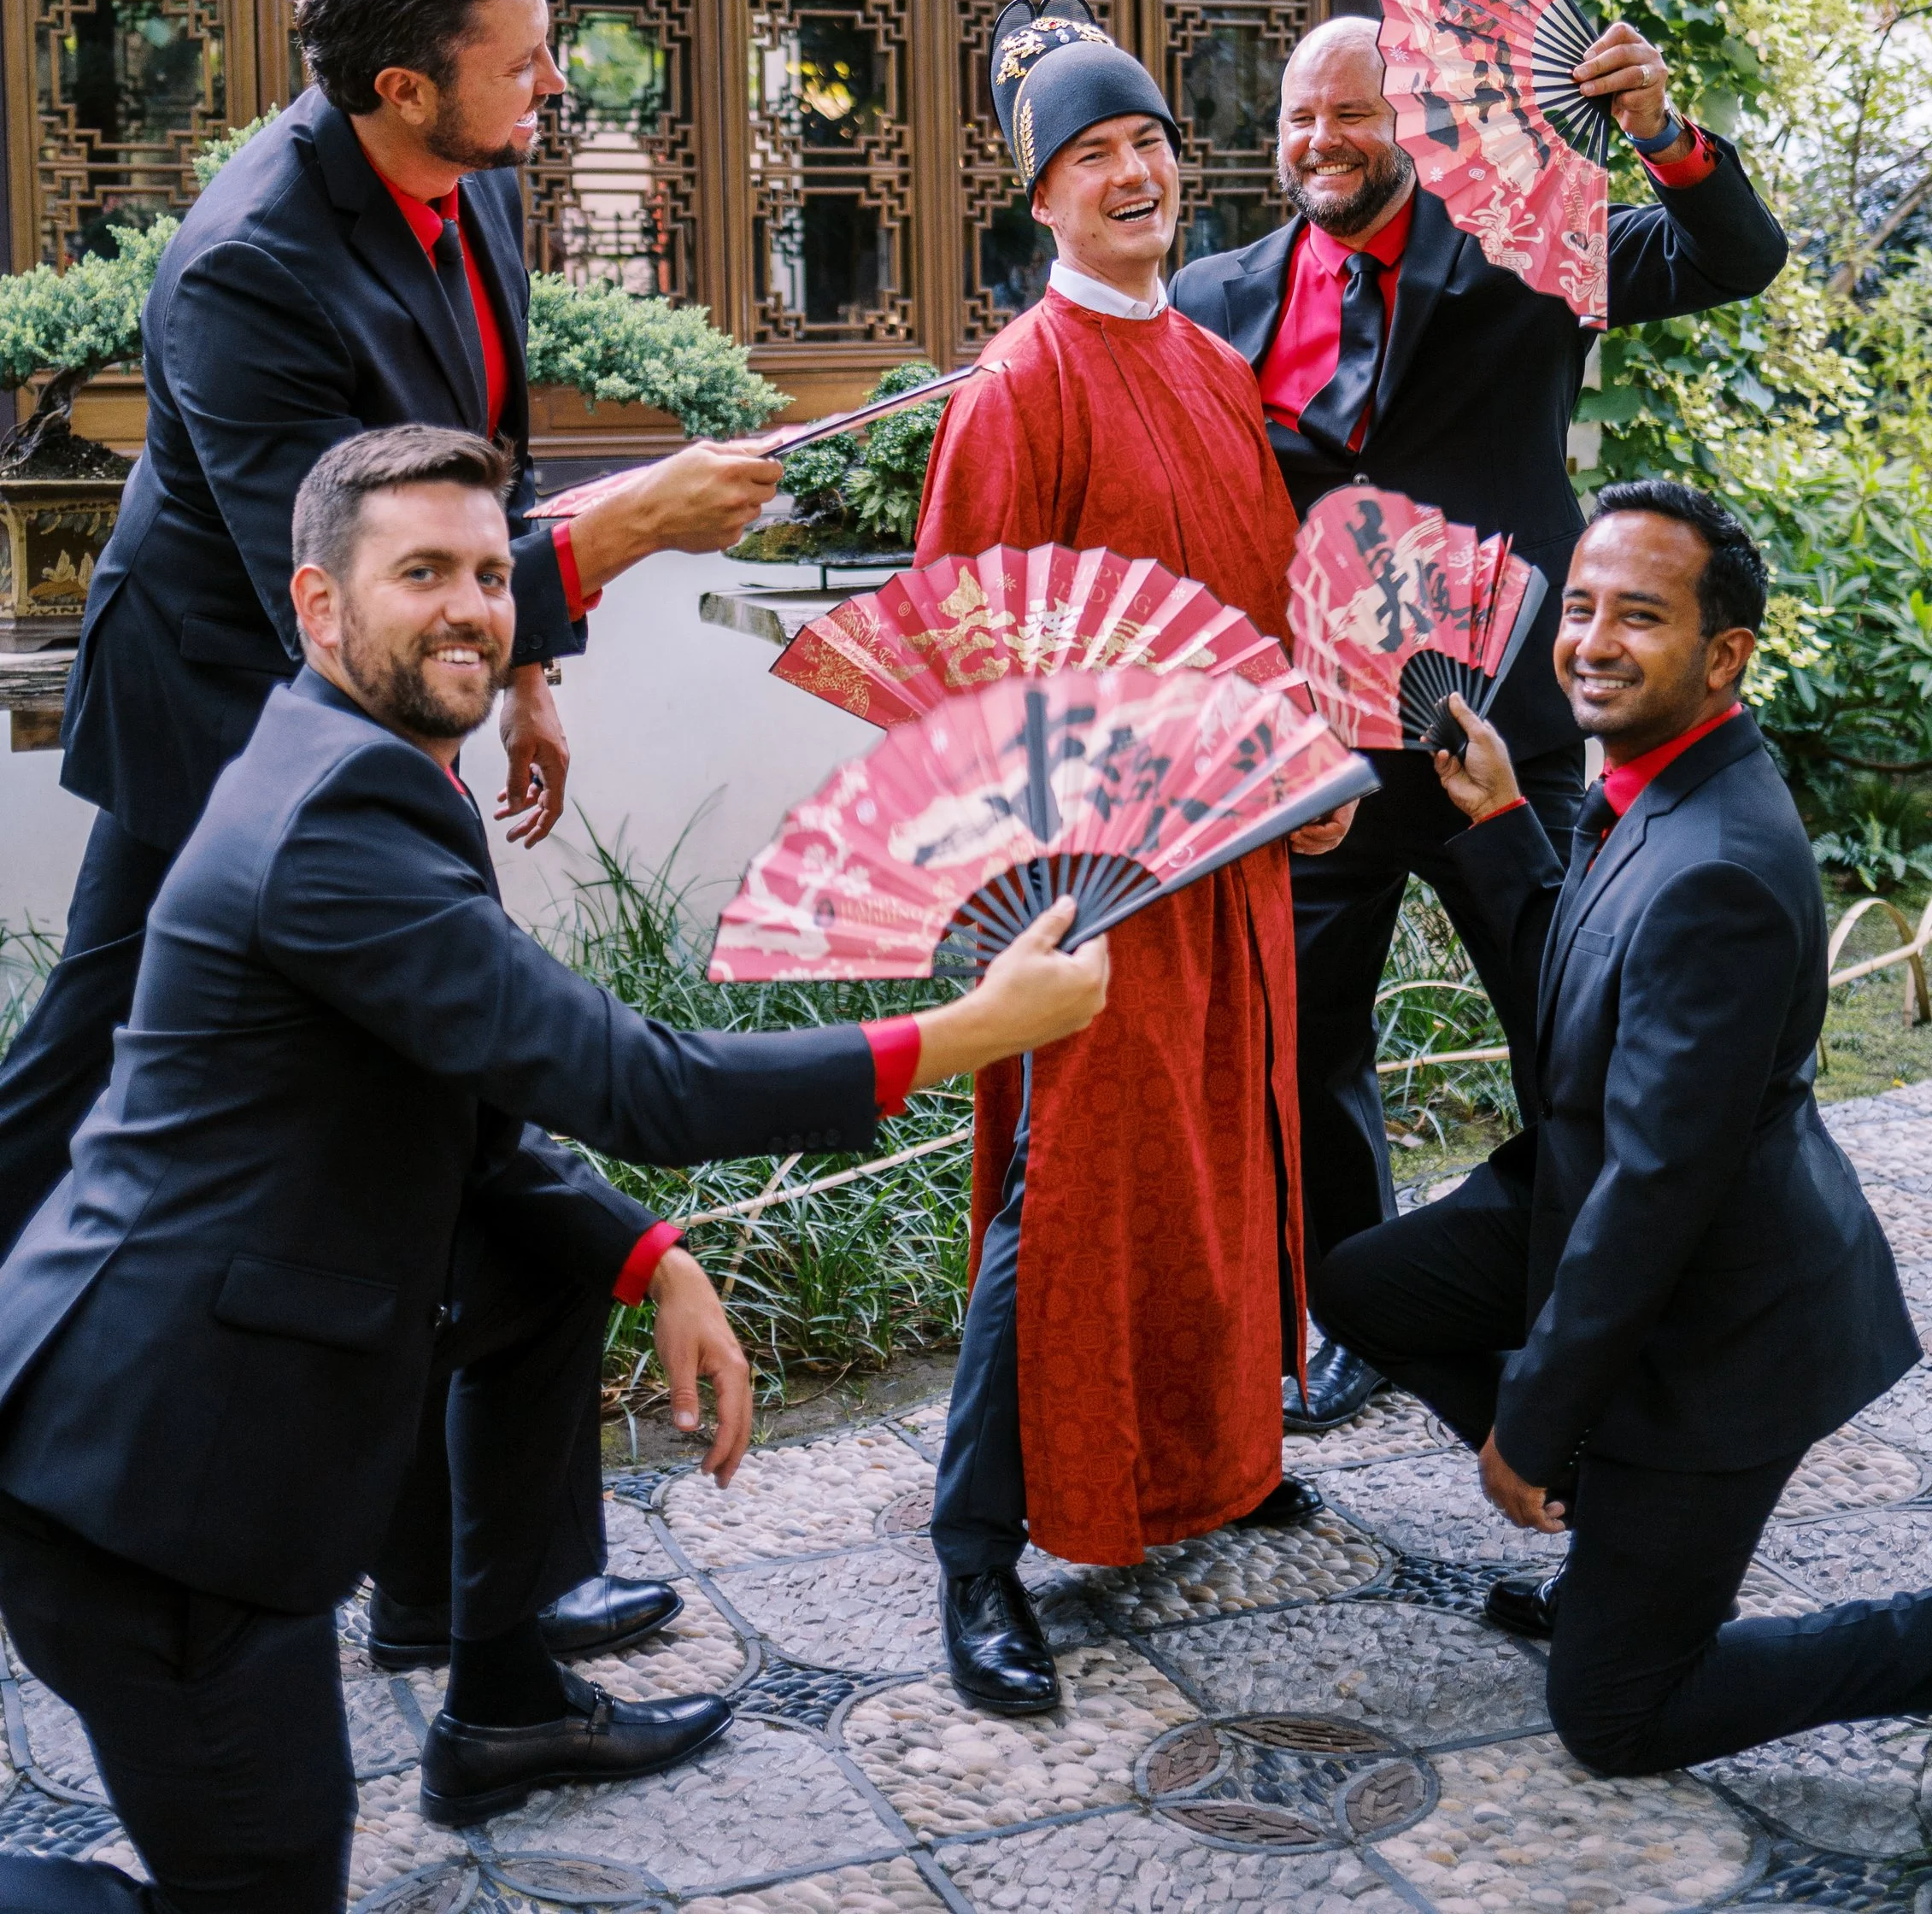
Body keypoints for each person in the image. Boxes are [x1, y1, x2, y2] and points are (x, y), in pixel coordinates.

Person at [0, 426, 1111, 1914]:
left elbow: (462, 1106)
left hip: (138, 1442)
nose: (470, 606)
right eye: (420, 575)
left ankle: (504, 1696)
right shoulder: (339, 819)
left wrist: (649, 1256)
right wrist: (965, 1033)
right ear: (321, 607)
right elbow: (629, 1076)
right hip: (155, 1488)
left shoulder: (343, 758)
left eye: (484, 570)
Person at [0, 0, 785, 1670]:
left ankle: (467, 1595)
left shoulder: (473, 180)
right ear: (400, 91)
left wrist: (532, 669)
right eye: (517, 64)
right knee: (108, 1090)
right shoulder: (249, 263)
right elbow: (363, 582)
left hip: (391, 694)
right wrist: (630, 529)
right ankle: (465, 1599)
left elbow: (469, 457)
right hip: (232, 718)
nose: (548, 92)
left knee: (393, 1108)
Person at [1312, 480, 1932, 1783]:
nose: (1591, 642)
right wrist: (1506, 820)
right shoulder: (1656, 786)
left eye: (1640, 616)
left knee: (1621, 1718)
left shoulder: (1725, 869)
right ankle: (1605, 1506)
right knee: (1362, 1284)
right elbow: (1580, 996)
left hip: (1718, 1322)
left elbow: (1653, 1193)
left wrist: (1530, 1422)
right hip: (1594, 1208)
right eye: (1578, 609)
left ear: (1725, 653)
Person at [1172, 0, 1790, 1430]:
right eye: (1299, 120)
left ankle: (1611, 1301)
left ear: (1415, 127)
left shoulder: (1526, 251)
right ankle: (1352, 1311)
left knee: (1567, 1019)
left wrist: (1659, 133)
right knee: (1311, 1041)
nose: (1324, 141)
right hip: (1319, 746)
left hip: (1498, 733)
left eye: (1356, 113)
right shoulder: (1215, 300)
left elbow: (1730, 257)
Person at [914, 0, 1356, 1721]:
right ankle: (977, 1543)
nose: (1129, 176)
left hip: (1232, 853)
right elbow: (965, 651)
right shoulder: (1018, 389)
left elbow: (1264, 612)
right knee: (1068, 1192)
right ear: (1036, 199)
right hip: (1090, 871)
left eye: (1149, 146)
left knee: (1220, 1158)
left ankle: (1212, 1453)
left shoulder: (1202, 362)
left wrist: (1306, 761)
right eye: (1089, 155)